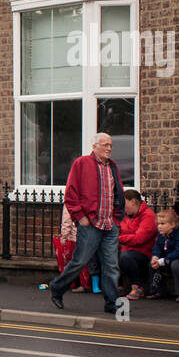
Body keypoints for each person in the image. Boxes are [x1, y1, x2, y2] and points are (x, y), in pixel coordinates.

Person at [49, 133, 125, 315]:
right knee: (80, 261)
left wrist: (116, 219)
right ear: (94, 146)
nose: (108, 148)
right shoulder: (82, 163)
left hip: (109, 225)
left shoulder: (112, 167)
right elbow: (71, 194)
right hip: (90, 224)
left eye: (110, 145)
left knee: (111, 265)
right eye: (105, 145)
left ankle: (112, 302)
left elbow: (116, 194)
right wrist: (80, 217)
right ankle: (57, 288)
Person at [117, 188, 159, 299]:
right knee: (109, 253)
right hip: (127, 250)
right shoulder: (125, 216)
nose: (123, 207)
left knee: (125, 257)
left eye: (125, 203)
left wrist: (118, 239)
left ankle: (137, 287)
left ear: (133, 202)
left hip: (144, 254)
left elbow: (139, 239)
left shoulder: (148, 216)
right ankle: (118, 286)